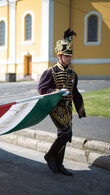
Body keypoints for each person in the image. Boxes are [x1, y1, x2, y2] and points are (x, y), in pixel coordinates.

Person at [38, 28, 86, 176]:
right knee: (66, 133)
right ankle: (49, 156)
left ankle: (59, 164)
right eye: (66, 56)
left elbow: (75, 92)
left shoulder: (73, 74)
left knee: (64, 136)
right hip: (55, 107)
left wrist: (80, 110)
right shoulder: (51, 71)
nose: (69, 58)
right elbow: (42, 88)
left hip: (68, 108)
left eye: (70, 56)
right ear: (59, 56)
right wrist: (55, 92)